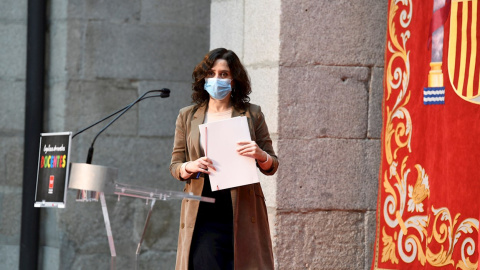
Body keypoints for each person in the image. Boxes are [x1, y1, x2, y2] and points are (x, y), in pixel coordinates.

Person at [170, 48, 279, 270]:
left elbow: (272, 165)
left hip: (242, 210)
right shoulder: (187, 116)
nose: (216, 79)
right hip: (203, 211)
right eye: (211, 74)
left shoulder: (252, 114)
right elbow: (175, 166)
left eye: (223, 74)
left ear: (234, 80)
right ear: (203, 78)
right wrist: (190, 166)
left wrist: (260, 154)